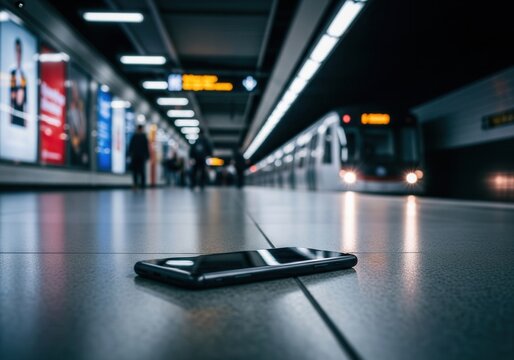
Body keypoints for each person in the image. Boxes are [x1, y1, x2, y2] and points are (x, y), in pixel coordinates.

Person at [10, 38, 27, 127]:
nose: (18, 55)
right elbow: (10, 95)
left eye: (20, 51)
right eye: (17, 51)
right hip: (13, 113)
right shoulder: (12, 73)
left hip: (21, 114)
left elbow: (25, 99)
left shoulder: (23, 76)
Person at [127, 124, 150, 189]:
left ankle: (139, 184)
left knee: (139, 171)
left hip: (137, 156)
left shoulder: (136, 136)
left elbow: (131, 146)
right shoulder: (141, 137)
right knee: (138, 171)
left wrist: (129, 154)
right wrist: (147, 155)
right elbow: (146, 147)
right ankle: (139, 184)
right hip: (138, 156)